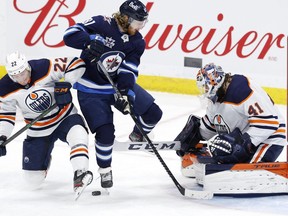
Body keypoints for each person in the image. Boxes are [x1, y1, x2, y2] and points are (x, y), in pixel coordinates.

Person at [63, 0, 163, 188]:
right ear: (125, 18)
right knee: (106, 133)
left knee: (153, 113)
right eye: (138, 22)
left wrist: (126, 94)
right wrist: (89, 41)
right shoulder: (101, 23)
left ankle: (138, 135)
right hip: (90, 89)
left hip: (115, 85)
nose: (141, 26)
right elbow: (69, 35)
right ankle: (105, 170)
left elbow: (128, 70)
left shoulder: (137, 41)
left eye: (144, 22)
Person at [0, 51, 93, 197]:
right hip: (38, 129)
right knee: (32, 181)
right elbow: (6, 115)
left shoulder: (44, 67)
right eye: (15, 76)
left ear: (28, 67)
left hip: (64, 117)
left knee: (78, 135)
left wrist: (66, 83)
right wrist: (2, 137)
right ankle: (44, 160)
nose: (21, 79)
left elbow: (77, 63)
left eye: (22, 73)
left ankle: (80, 173)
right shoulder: (4, 88)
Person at [175, 63, 287, 177]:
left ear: (215, 82)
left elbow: (269, 124)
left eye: (206, 86)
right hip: (245, 137)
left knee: (246, 176)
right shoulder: (217, 96)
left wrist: (241, 144)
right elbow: (211, 124)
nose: (205, 89)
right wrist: (194, 135)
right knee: (222, 151)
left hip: (270, 138)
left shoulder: (241, 89)